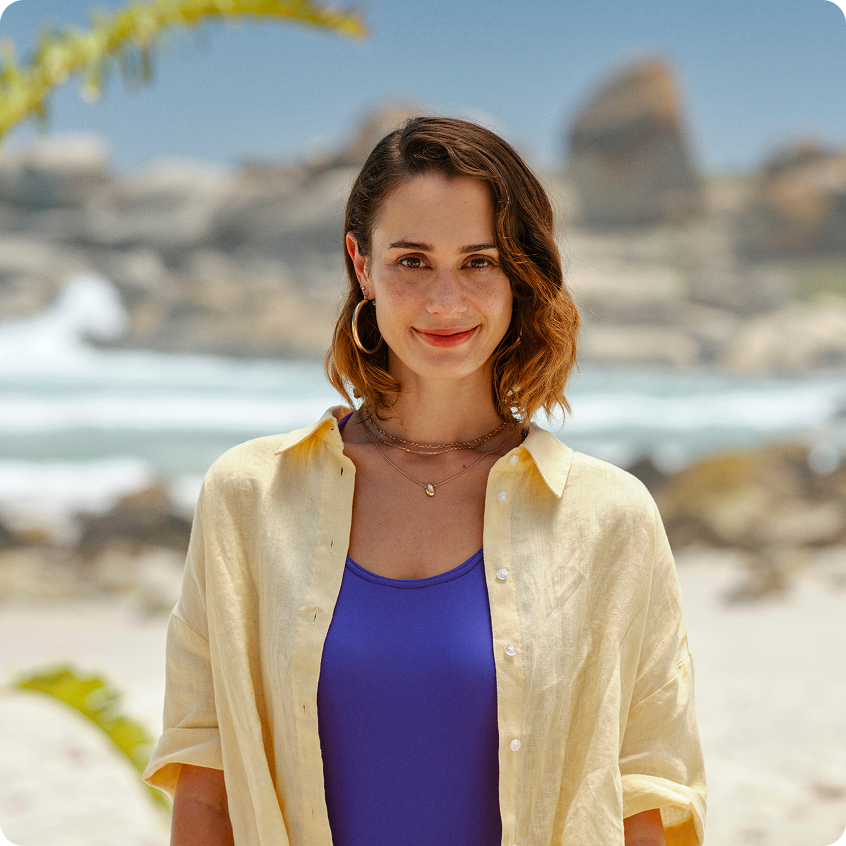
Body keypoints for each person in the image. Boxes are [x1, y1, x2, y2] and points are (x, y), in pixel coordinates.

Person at [143, 117, 706, 846]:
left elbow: (643, 797)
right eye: (412, 261)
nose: (446, 301)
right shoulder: (247, 500)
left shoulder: (609, 520)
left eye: (479, 261)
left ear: (520, 274)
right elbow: (206, 782)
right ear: (361, 264)